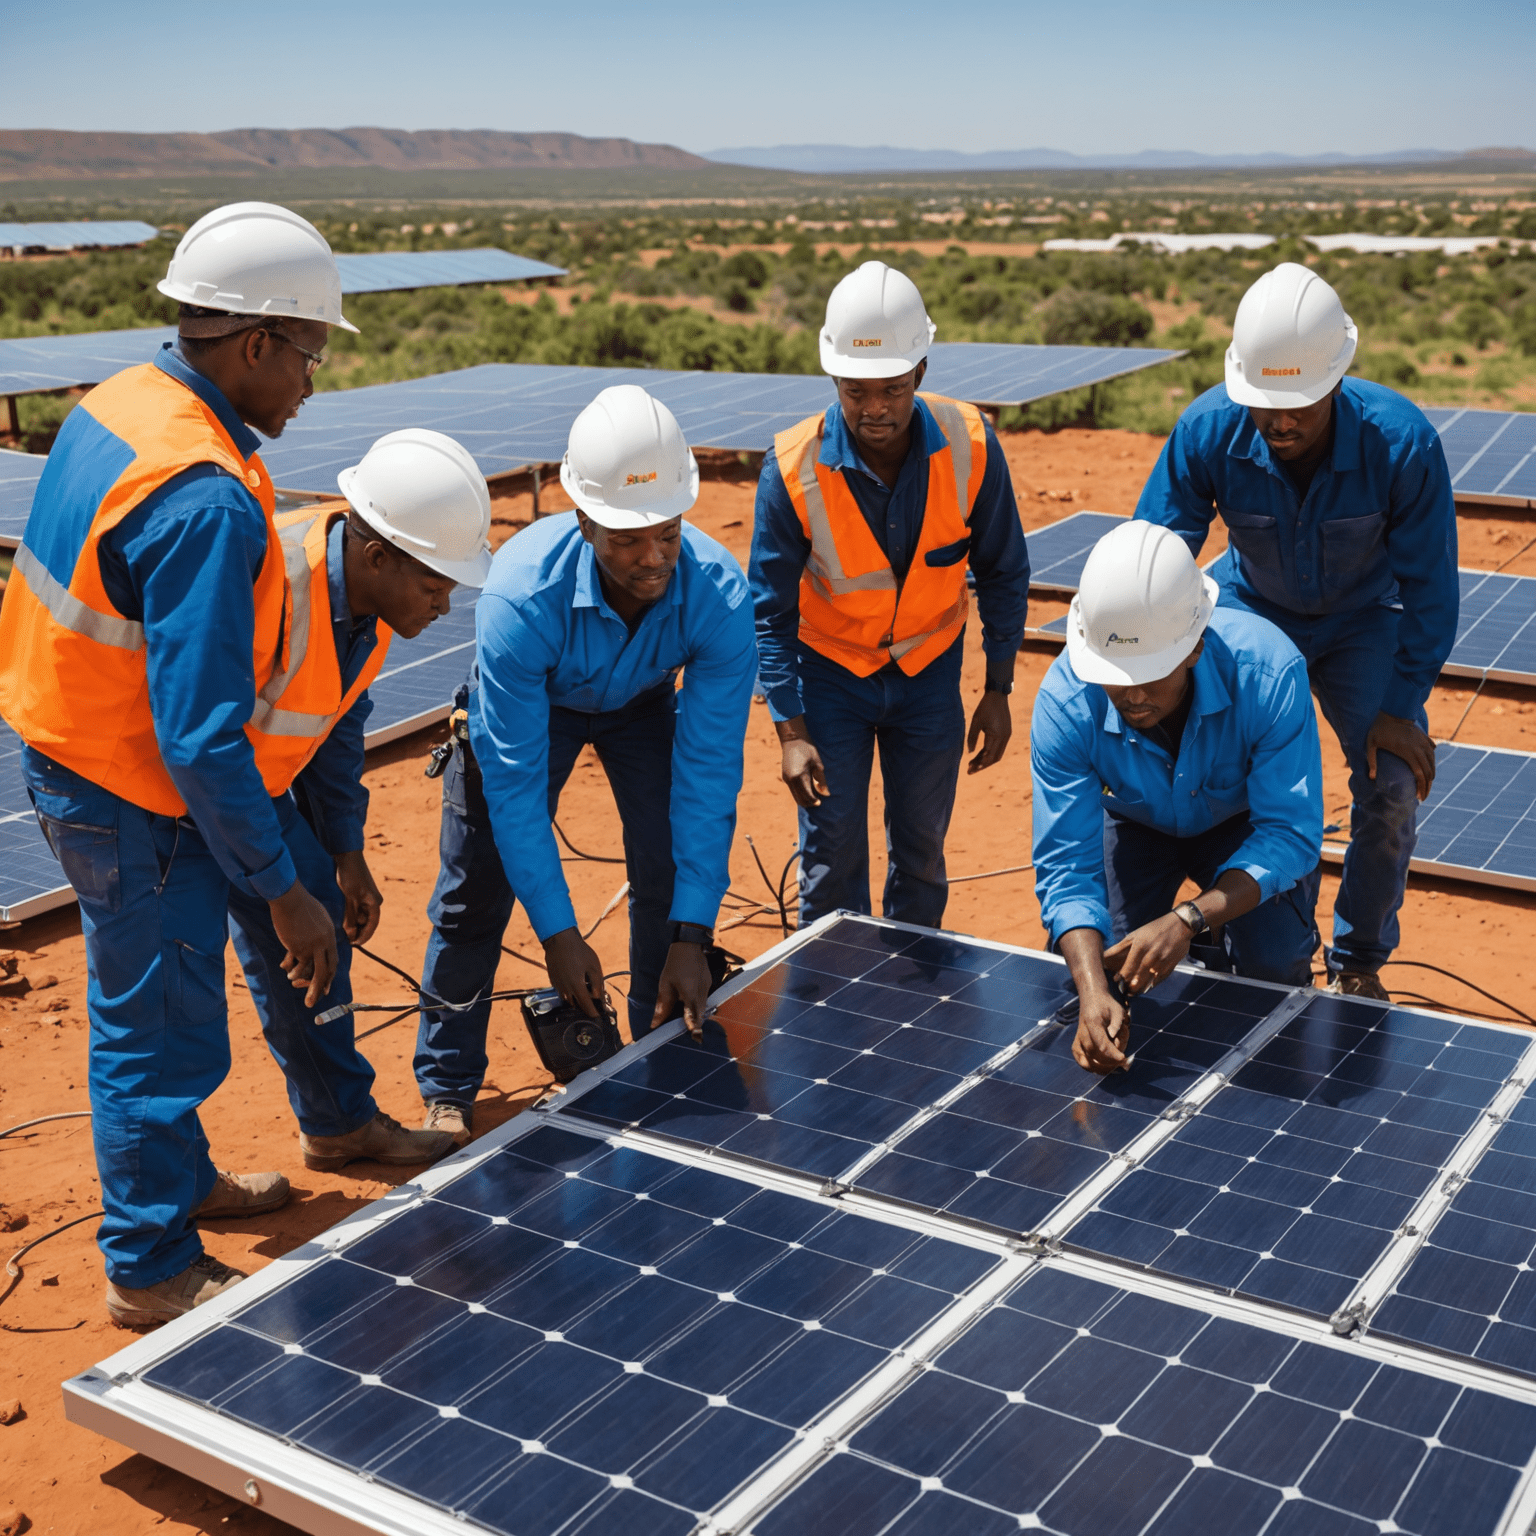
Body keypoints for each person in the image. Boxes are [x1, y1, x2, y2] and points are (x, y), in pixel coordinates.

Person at [0, 204, 470, 1328]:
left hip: (99, 746)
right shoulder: (207, 497)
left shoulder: (130, 401)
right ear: (254, 342)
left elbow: (280, 723)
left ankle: (323, 1126)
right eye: (309, 352)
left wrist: (319, 862)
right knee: (160, 1026)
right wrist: (283, 891)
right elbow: (201, 737)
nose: (312, 383)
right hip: (129, 782)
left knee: (260, 947)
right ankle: (151, 1262)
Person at [414, 384, 756, 1146]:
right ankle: (447, 1086)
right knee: (476, 888)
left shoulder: (718, 596)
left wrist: (694, 934)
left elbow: (708, 774)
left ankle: (655, 1043)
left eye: (667, 534)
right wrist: (559, 933)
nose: (653, 558)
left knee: (667, 875)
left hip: (640, 703)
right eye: (627, 539)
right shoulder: (520, 599)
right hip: (538, 704)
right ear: (582, 521)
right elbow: (511, 784)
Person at [1135, 261, 1457, 999]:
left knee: (1393, 782)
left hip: (1363, 622)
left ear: (1336, 379)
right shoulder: (1209, 429)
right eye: (1263, 404)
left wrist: (1400, 705)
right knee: (1220, 760)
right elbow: (1155, 556)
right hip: (1251, 610)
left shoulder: (1399, 443)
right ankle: (1244, 930)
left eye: (1298, 406)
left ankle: (1358, 961)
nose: (1278, 421)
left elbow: (1432, 589)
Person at [750, 261, 1029, 927]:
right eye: (856, 391)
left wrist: (996, 689)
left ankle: (910, 1004)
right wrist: (790, 729)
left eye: (893, 389)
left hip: (929, 675)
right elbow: (770, 611)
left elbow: (1003, 572)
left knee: (923, 850)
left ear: (922, 374)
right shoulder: (792, 467)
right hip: (831, 678)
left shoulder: (973, 445)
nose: (875, 408)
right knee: (831, 853)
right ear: (834, 381)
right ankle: (832, 1007)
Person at [1031, 522, 1324, 1075]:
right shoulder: (1068, 702)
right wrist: (1093, 990)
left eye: (1149, 674)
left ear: (1193, 646)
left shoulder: (1267, 672)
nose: (1133, 696)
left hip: (1244, 826)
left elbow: (1289, 833)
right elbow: (1067, 868)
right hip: (1137, 825)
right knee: (1107, 965)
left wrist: (1188, 917)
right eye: (1117, 678)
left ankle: (1229, 949)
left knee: (1276, 962)